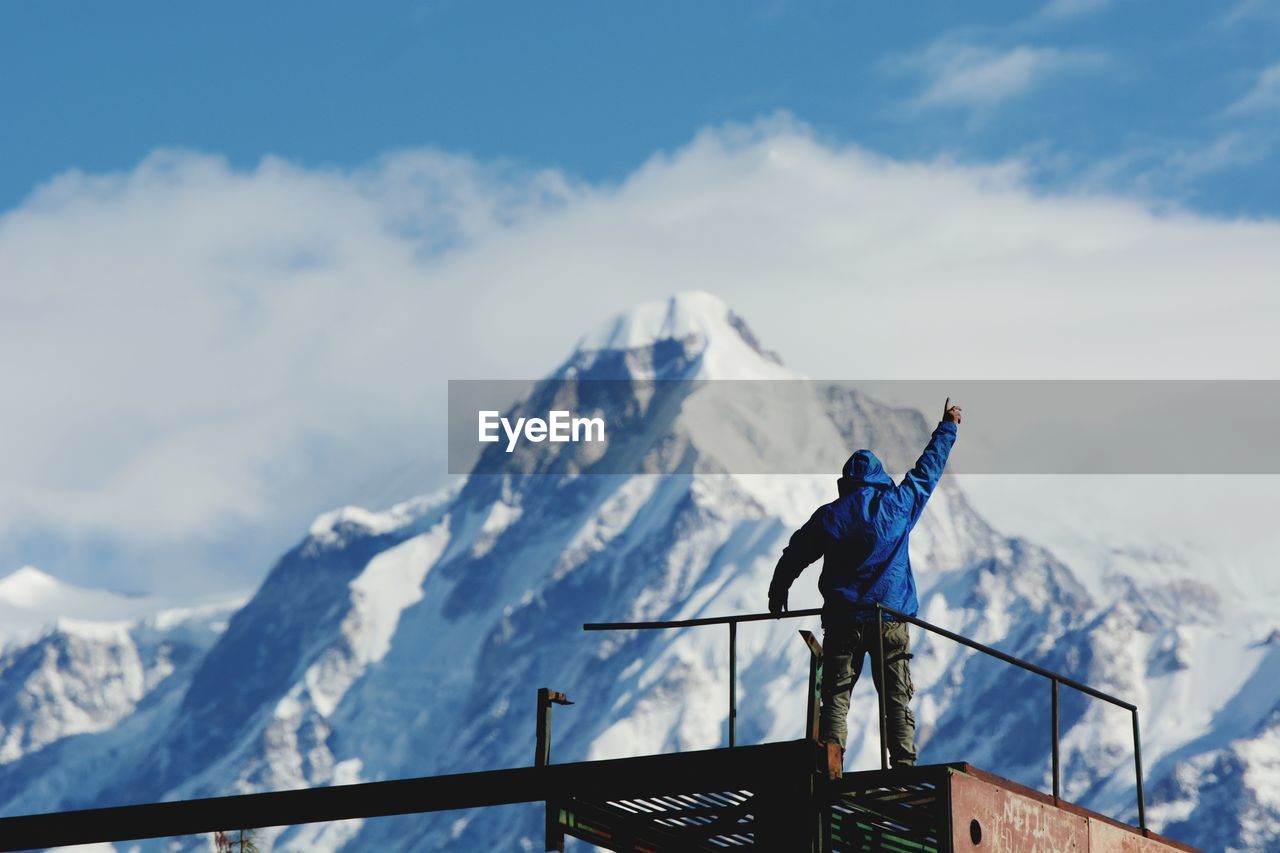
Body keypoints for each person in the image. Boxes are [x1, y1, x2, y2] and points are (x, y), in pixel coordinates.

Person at [768, 398, 961, 776]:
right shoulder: (899, 503)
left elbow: (797, 552)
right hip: (889, 619)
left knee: (836, 699)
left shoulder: (830, 516)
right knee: (895, 699)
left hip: (842, 621)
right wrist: (948, 426)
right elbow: (928, 471)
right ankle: (904, 769)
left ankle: (830, 766)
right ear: (877, 476)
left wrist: (780, 588)